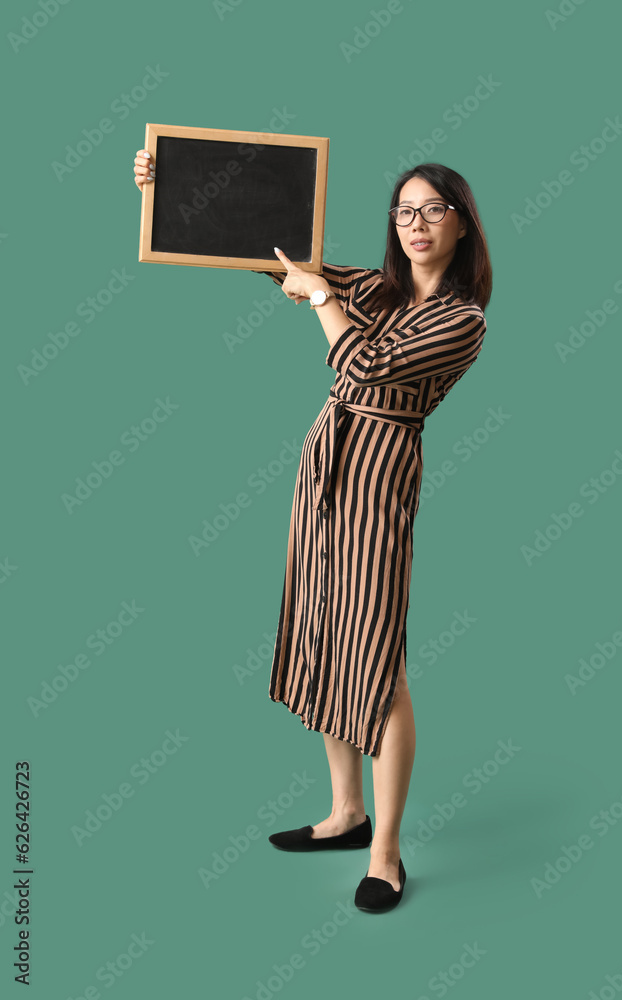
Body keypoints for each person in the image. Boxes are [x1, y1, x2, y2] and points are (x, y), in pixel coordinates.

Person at [133, 149, 492, 911]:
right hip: (324, 462)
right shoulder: (377, 286)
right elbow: (272, 256)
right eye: (403, 211)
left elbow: (360, 365)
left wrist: (321, 294)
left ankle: (386, 855)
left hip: (378, 474)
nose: (415, 223)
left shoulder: (460, 320)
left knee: (375, 653)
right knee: (322, 630)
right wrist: (170, 188)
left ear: (462, 223)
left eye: (432, 209)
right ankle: (346, 814)